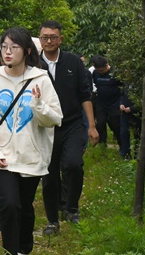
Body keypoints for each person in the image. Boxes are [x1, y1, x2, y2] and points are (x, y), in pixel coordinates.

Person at [0, 27, 63, 255]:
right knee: (9, 205)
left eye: (13, 47)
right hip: (2, 157)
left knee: (24, 207)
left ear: (26, 51)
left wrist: (38, 104)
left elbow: (54, 119)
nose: (7, 52)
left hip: (31, 158)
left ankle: (24, 247)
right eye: (4, 47)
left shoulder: (41, 79)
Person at [38, 21, 99, 232]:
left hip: (72, 123)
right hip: (45, 127)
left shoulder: (73, 62)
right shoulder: (33, 64)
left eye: (53, 37)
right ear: (40, 39)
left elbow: (85, 95)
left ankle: (71, 208)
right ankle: (52, 219)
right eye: (45, 37)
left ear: (60, 39)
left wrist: (91, 126)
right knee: (49, 172)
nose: (49, 41)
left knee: (73, 164)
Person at [91, 55, 126, 154]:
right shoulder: (95, 73)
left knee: (116, 125)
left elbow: (122, 87)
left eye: (102, 70)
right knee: (100, 123)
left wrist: (121, 102)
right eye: (99, 71)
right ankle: (102, 145)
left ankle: (122, 146)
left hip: (114, 103)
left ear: (107, 65)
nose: (101, 72)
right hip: (101, 103)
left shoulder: (116, 73)